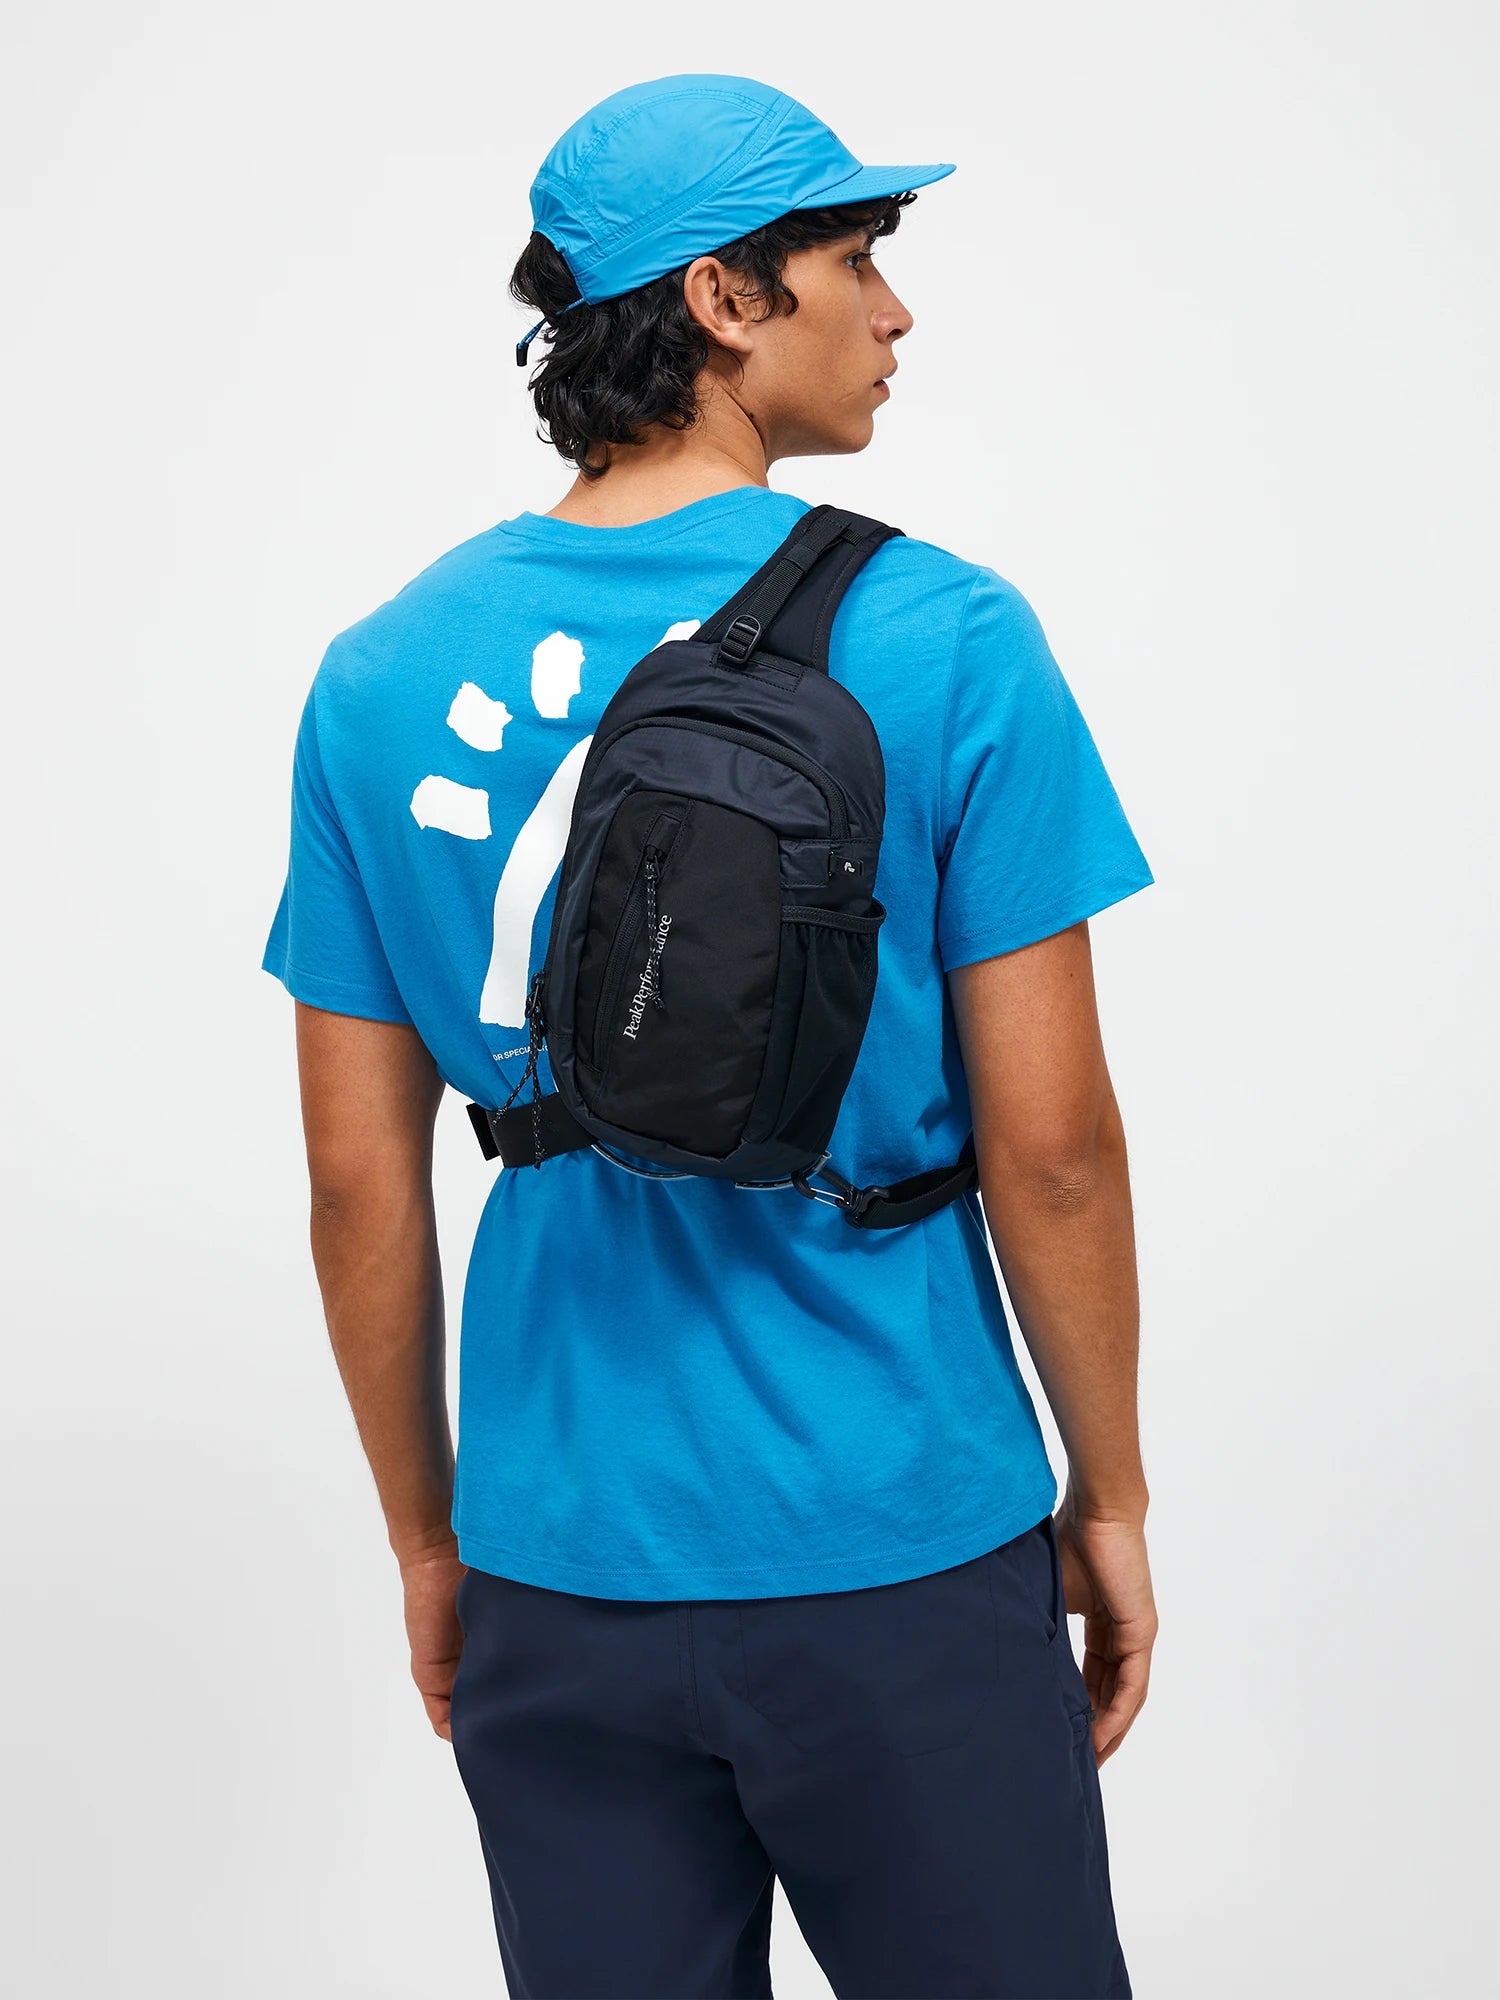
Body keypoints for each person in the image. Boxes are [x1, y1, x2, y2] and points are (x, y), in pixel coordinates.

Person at [264, 70, 1157, 2000]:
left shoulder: (377, 671)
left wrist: (431, 1540)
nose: (897, 311)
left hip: (555, 1559)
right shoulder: (942, 636)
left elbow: (356, 1184)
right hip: (894, 1536)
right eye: (856, 261)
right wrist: (1111, 1497)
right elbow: (1057, 1149)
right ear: (725, 301)